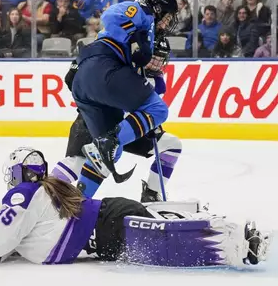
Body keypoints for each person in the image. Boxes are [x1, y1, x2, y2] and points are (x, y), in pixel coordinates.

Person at [0, 147, 270, 268]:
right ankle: (224, 228)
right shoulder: (46, 190)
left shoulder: (23, 196)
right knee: (161, 233)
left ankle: (240, 242)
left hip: (108, 227)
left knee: (165, 244)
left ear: (16, 175)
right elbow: (17, 239)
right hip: (109, 219)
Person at [70, 0, 178, 194]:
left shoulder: (148, 33)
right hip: (102, 68)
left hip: (87, 83)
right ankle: (113, 141)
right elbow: (109, 16)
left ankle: (76, 204)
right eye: (168, 16)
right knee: (159, 111)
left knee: (108, 153)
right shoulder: (143, 12)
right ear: (159, 8)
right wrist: (133, 36)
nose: (167, 22)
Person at [55, 38, 182, 202]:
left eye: (160, 59)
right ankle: (44, 195)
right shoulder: (120, 65)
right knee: (77, 162)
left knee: (172, 145)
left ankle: (151, 194)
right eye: (153, 58)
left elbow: (142, 115)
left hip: (123, 129)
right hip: (94, 119)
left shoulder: (156, 83)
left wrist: (152, 125)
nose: (157, 64)